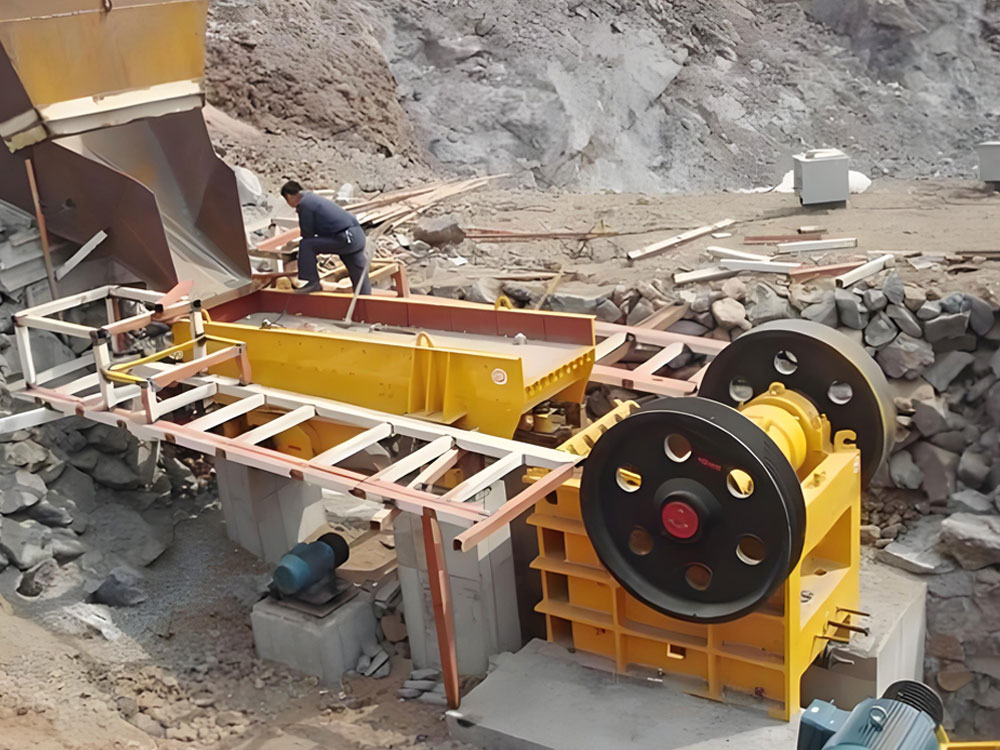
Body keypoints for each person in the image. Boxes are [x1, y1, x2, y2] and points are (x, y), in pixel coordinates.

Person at [280, 180, 371, 295]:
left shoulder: (305, 204)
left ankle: (313, 283)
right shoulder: (312, 198)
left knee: (306, 245)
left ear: (289, 197)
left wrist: (298, 253)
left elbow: (307, 234)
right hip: (356, 236)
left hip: (345, 237)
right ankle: (364, 298)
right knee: (358, 271)